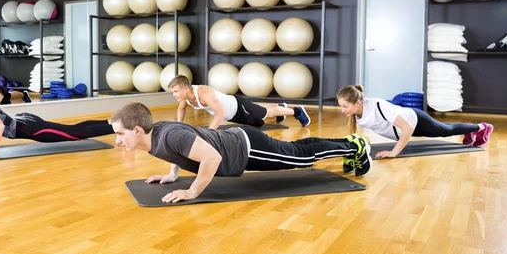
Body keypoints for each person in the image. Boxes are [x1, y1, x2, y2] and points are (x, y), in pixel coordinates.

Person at [110, 102, 372, 203]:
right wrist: (171, 175)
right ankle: (348, 144)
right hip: (240, 142)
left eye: (120, 133)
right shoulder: (153, 137)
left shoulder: (169, 135)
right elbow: (178, 151)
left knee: (302, 157)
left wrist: (192, 191)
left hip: (246, 148)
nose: (118, 140)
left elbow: (212, 158)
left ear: (136, 129)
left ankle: (353, 146)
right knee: (299, 151)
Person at [0, 76, 115, 163]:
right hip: (23, 123)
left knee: (74, 134)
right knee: (72, 130)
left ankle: (115, 127)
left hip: (30, 128)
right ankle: (109, 123)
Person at [336, 85, 494, 161]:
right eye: (341, 106)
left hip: (415, 121)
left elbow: (407, 128)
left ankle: (482, 127)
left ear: (357, 102)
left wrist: (393, 152)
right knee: (446, 130)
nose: (342, 110)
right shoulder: (356, 113)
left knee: (445, 130)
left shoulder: (378, 105)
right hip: (406, 129)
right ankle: (468, 130)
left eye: (345, 106)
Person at [168, 75, 310, 129]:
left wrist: (211, 132)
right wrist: (179, 124)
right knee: (259, 119)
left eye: (176, 91)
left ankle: (297, 111)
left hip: (237, 107)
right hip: (233, 115)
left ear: (186, 88)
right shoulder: (186, 97)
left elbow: (220, 113)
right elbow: (181, 109)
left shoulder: (203, 94)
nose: (174, 95)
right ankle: (280, 108)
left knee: (266, 114)